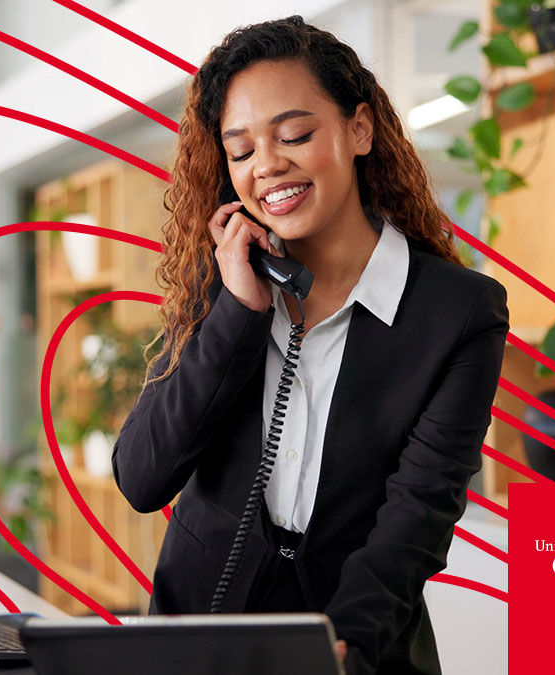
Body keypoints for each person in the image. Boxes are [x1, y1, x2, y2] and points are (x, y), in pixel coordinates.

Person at [111, 15, 509, 675]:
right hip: (198, 637)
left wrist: (342, 646)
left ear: (359, 129)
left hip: (358, 643)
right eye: (241, 150)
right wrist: (238, 311)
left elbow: (420, 509)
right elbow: (143, 476)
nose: (267, 165)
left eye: (294, 134)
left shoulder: (458, 312)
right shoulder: (228, 280)